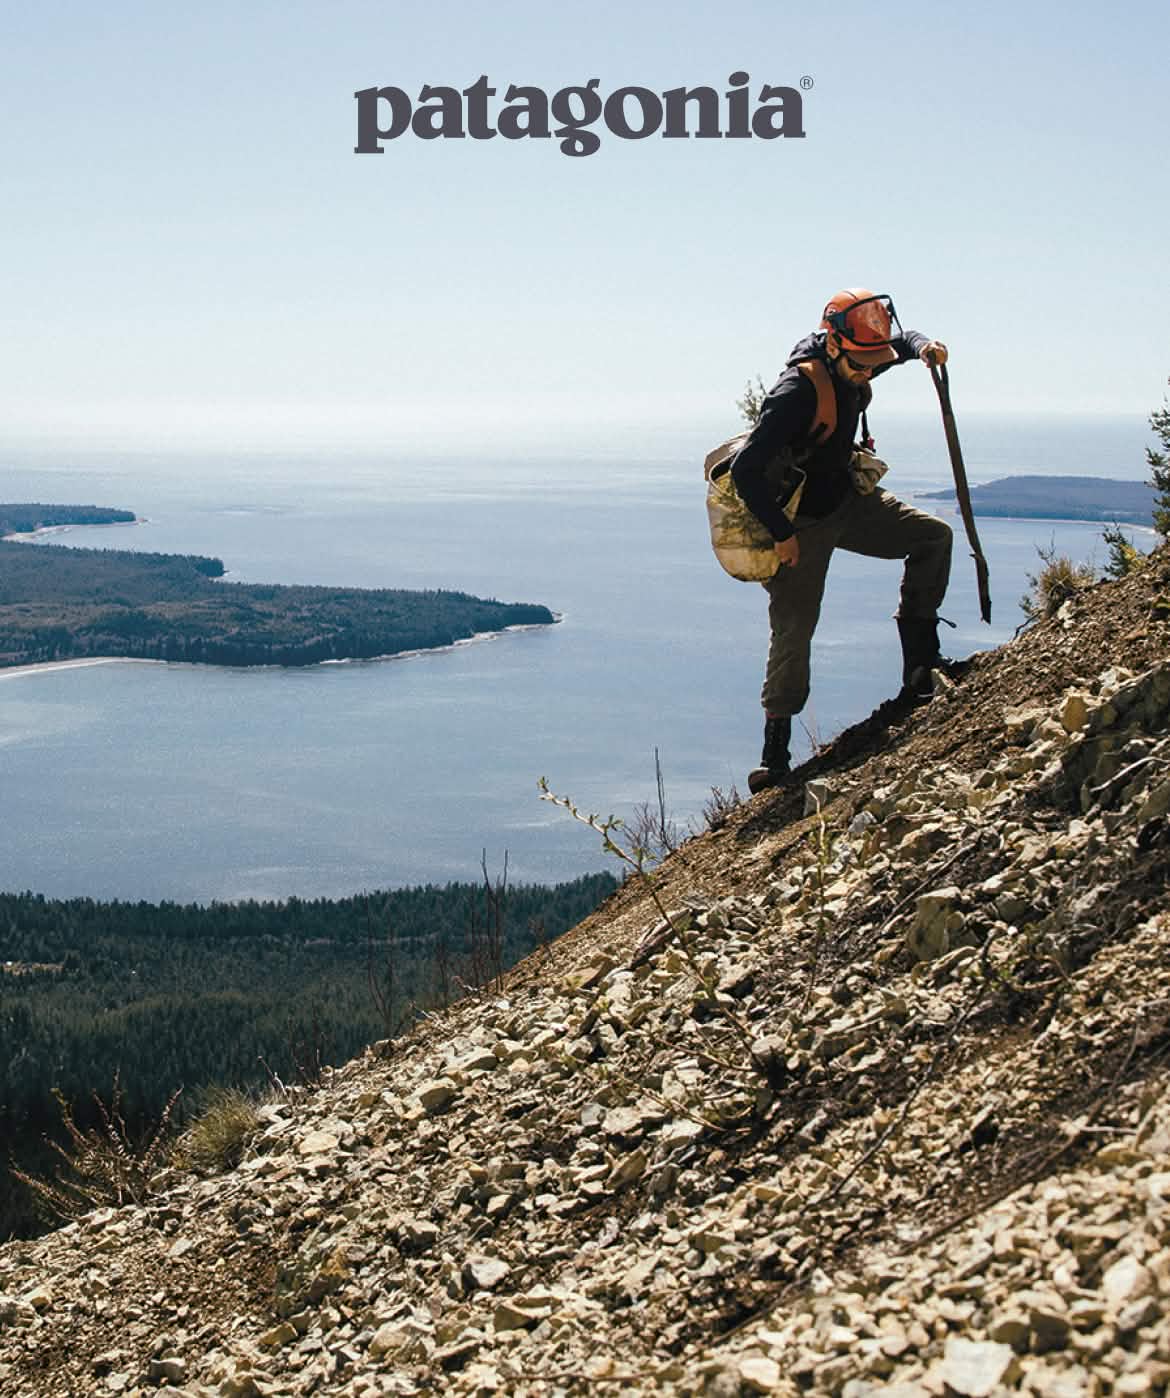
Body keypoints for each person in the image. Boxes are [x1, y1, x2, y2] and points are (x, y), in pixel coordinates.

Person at [730, 288, 953, 794]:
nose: (869, 373)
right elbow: (745, 471)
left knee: (933, 537)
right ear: (833, 344)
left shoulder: (858, 354)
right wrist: (782, 534)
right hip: (801, 523)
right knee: (794, 630)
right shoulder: (796, 392)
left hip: (846, 501)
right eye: (861, 365)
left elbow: (900, 343)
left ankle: (921, 667)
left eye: (874, 363)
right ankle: (774, 760)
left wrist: (924, 347)